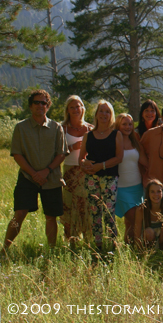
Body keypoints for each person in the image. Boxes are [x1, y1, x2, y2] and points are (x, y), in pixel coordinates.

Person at [4, 90, 69, 251]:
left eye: (44, 103)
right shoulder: (21, 128)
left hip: (51, 178)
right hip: (27, 177)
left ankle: (52, 250)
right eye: (37, 102)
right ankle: (4, 248)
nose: (40, 106)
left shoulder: (56, 127)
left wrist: (46, 171)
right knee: (19, 213)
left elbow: (61, 153)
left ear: (48, 106)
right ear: (30, 106)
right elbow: (17, 154)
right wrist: (34, 174)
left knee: (51, 216)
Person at [79, 100, 124, 248]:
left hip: (110, 178)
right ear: (96, 114)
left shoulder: (116, 135)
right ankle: (98, 244)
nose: (104, 114)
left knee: (108, 212)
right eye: (101, 111)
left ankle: (112, 244)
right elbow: (81, 158)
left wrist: (101, 166)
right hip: (92, 178)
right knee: (94, 212)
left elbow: (119, 157)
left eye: (107, 112)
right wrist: (85, 165)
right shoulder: (88, 135)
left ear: (111, 115)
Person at [61, 95, 93, 243]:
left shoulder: (90, 128)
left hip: (86, 172)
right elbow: (56, 152)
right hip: (69, 171)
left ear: (82, 108)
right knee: (69, 206)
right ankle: (70, 242)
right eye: (72, 107)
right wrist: (72, 147)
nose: (75, 109)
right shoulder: (62, 128)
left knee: (85, 206)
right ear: (67, 110)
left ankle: (88, 241)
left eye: (78, 106)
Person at [114, 113, 148, 244]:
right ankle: (140, 248)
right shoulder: (114, 141)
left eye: (130, 124)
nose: (128, 127)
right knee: (135, 220)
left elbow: (145, 162)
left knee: (129, 223)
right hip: (121, 188)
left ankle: (129, 249)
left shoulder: (135, 141)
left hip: (137, 187)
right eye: (124, 124)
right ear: (118, 125)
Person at [134, 179, 163, 249]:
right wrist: (139, 251)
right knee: (149, 232)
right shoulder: (141, 209)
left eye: (158, 191)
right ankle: (149, 252)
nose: (156, 195)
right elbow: (137, 233)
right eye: (152, 192)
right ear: (148, 193)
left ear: (162, 193)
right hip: (148, 240)